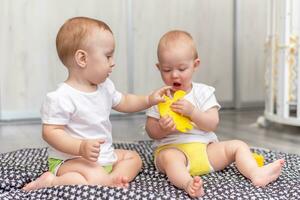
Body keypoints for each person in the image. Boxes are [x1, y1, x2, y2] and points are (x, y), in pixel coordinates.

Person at [22, 16, 170, 191]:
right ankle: (51, 181)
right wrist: (80, 147)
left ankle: (111, 180)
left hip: (103, 157)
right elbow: (50, 132)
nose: (113, 62)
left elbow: (125, 101)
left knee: (134, 158)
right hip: (71, 160)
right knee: (93, 175)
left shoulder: (105, 87)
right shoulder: (61, 97)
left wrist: (148, 100)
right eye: (108, 56)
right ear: (82, 59)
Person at [145, 30, 285, 198]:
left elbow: (212, 123)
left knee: (238, 145)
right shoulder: (159, 96)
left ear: (195, 65)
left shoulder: (203, 92)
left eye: (182, 68)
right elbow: (150, 130)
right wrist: (161, 128)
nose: (174, 74)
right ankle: (188, 183)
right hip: (174, 149)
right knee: (169, 158)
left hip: (206, 151)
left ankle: (256, 173)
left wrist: (193, 112)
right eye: (167, 70)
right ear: (158, 67)